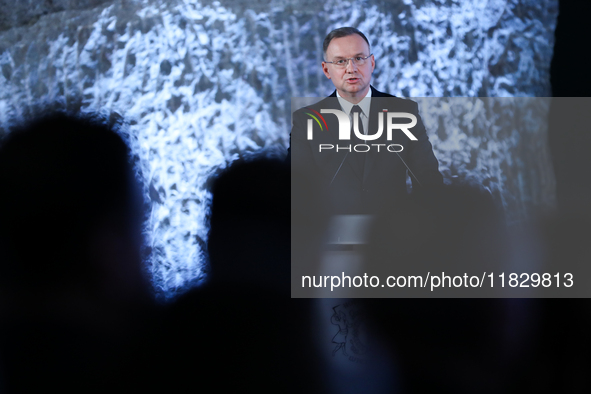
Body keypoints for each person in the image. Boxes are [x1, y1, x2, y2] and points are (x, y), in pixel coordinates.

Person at [288, 27, 443, 214]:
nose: (351, 69)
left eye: (359, 58)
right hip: (331, 238)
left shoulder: (403, 112)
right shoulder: (307, 121)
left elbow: (428, 181)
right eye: (340, 61)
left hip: (394, 236)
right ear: (326, 69)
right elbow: (296, 189)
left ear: (372, 63)